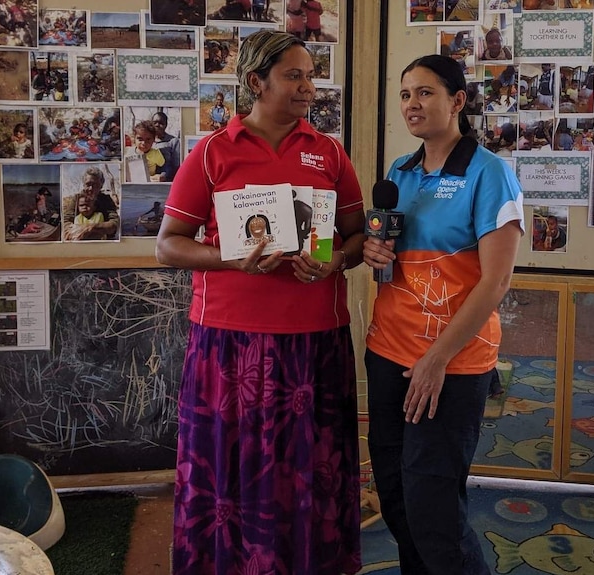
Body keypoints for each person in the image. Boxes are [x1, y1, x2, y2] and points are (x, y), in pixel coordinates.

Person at [155, 30, 366, 575]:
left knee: (310, 469)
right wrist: (229, 258)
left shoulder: (329, 152)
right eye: (293, 75)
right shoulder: (211, 154)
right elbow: (168, 246)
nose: (307, 87)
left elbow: (355, 237)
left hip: (316, 345)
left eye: (309, 75)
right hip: (230, 345)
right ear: (256, 82)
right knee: (234, 470)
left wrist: (336, 260)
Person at [362, 54, 524, 575]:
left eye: (426, 92)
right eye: (406, 94)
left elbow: (496, 281)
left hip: (449, 366)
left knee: (432, 507)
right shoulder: (399, 173)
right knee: (395, 496)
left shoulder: (490, 174)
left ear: (457, 101)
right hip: (388, 353)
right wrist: (375, 254)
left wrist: (437, 360)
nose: (413, 104)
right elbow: (392, 259)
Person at [62, 166, 119, 241]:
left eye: (95, 185)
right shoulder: (77, 199)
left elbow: (114, 223)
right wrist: (75, 230)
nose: (91, 188)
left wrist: (90, 227)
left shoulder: (106, 200)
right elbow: (66, 221)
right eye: (88, 184)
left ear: (101, 185)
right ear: (84, 184)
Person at [151, 111, 181, 180]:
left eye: (161, 123)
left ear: (166, 125)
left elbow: (176, 166)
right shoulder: (147, 140)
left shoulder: (173, 141)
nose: (157, 125)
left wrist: (165, 175)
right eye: (154, 122)